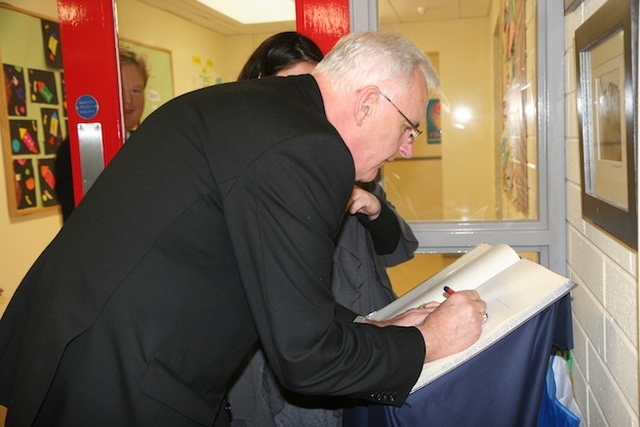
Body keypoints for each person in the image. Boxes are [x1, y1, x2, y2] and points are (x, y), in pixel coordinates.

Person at [0, 31, 486, 427]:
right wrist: (431, 341)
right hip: (119, 386)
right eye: (408, 128)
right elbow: (306, 358)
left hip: (84, 360)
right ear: (366, 104)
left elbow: (276, 286)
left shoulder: (260, 112)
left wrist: (377, 329)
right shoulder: (308, 147)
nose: (405, 149)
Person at [227, 32, 419, 427]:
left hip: (362, 338)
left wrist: (372, 207)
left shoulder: (354, 161)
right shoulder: (264, 169)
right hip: (307, 350)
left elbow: (398, 245)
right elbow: (289, 312)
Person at [53, 44, 149, 222]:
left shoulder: (146, 143)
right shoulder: (76, 148)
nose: (128, 100)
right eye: (119, 90)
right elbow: (79, 219)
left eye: (136, 91)